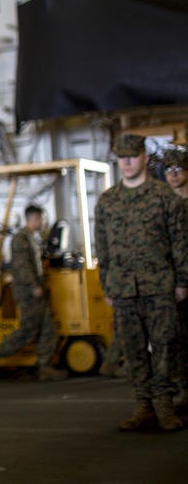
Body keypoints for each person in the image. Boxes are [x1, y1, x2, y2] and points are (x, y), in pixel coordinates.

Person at [95, 133, 188, 432]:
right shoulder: (107, 202)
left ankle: (164, 403)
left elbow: (180, 244)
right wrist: (107, 286)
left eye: (131, 156)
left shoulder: (165, 198)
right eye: (121, 158)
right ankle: (143, 405)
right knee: (133, 349)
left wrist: (182, 282)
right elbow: (102, 249)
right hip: (122, 287)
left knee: (164, 345)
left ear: (144, 158)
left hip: (160, 284)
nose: (126, 162)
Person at [0, 205, 67, 381]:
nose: (44, 223)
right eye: (43, 219)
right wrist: (33, 286)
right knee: (28, 331)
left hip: (36, 290)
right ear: (36, 218)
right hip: (28, 292)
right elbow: (22, 266)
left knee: (48, 328)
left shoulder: (31, 237)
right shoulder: (21, 238)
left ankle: (44, 367)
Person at [162, 147, 188, 408]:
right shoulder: (164, 203)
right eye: (168, 170)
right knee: (177, 338)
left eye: (178, 168)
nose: (173, 174)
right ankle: (184, 389)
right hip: (174, 282)